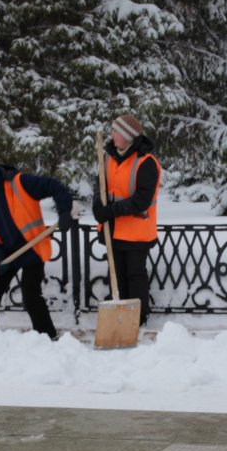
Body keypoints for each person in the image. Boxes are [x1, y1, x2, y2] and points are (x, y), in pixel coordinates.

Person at [0, 153, 74, 340]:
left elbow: (54, 186)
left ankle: (47, 336)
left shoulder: (20, 183)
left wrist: (64, 211)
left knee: (30, 293)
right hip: (6, 252)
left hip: (32, 247)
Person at [92, 114, 161, 327]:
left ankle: (139, 316)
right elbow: (100, 187)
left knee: (134, 274)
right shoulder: (108, 157)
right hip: (112, 229)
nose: (112, 135)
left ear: (128, 137)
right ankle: (120, 309)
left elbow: (141, 200)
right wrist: (98, 207)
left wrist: (110, 211)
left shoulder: (146, 162)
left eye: (116, 132)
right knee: (117, 274)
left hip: (136, 231)